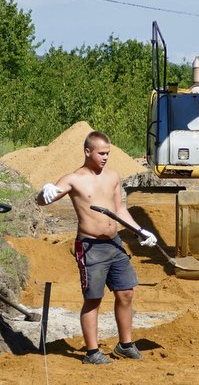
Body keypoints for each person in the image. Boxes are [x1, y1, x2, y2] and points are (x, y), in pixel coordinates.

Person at [36, 131, 158, 364]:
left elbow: (119, 210)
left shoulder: (112, 176)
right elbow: (44, 200)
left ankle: (125, 345)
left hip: (114, 243)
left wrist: (140, 231)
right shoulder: (73, 179)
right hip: (90, 247)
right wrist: (44, 192)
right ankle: (92, 353)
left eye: (108, 154)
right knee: (93, 299)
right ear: (87, 152)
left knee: (126, 293)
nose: (105, 158)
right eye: (101, 153)